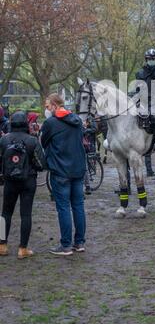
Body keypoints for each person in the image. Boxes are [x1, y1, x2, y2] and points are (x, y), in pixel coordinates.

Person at [41, 94, 87, 256]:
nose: (46, 109)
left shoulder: (50, 123)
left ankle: (66, 245)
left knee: (63, 207)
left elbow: (43, 142)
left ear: (54, 105)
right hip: (78, 168)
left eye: (47, 106)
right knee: (78, 206)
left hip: (60, 170)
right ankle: (80, 242)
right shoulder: (76, 120)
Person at [0, 111, 46, 259]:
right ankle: (22, 248)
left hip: (9, 181)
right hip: (28, 181)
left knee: (5, 214)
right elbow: (41, 164)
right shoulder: (32, 141)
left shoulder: (4, 140)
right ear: (26, 123)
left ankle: (2, 245)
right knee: (25, 214)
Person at [83, 117, 97, 195]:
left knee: (85, 168)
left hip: (89, 142)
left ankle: (87, 186)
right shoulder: (83, 117)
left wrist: (86, 129)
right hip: (86, 140)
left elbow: (94, 129)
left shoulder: (92, 118)